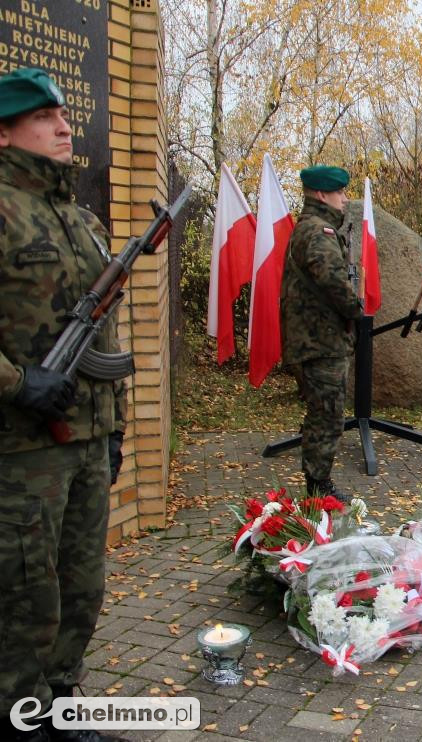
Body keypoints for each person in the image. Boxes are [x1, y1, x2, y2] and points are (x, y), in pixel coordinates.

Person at [0, 68, 127, 742]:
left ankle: (58, 704)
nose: (62, 124)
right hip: (20, 447)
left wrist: (118, 424)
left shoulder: (80, 218)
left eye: (62, 114)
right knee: (24, 592)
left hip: (85, 435)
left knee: (82, 586)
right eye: (43, 115)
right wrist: (19, 383)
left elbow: (106, 334)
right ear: (4, 131)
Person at [280, 165, 362, 500]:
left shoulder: (315, 228)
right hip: (319, 342)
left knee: (322, 413)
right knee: (327, 416)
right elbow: (333, 282)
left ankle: (318, 482)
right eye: (339, 192)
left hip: (317, 339)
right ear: (321, 194)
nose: (344, 199)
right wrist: (357, 310)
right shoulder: (318, 232)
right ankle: (318, 488)